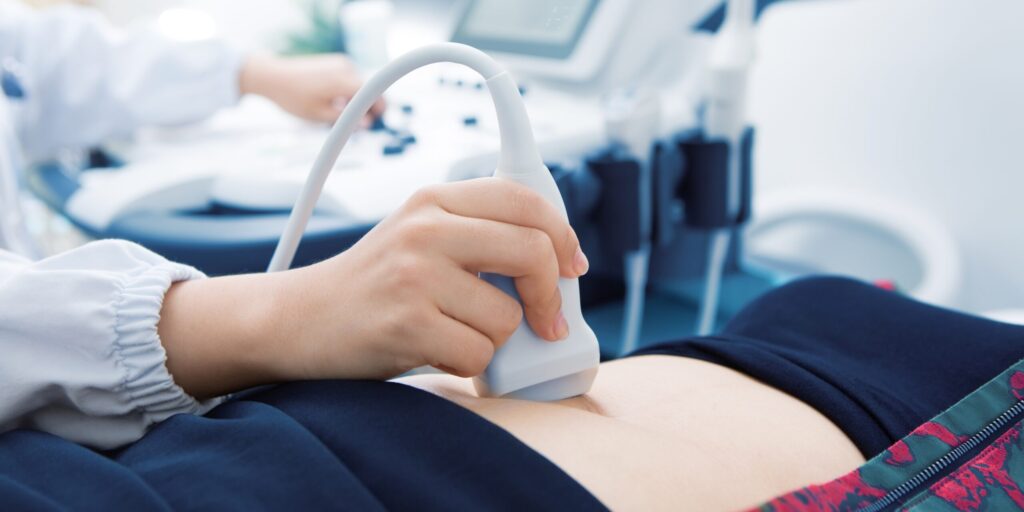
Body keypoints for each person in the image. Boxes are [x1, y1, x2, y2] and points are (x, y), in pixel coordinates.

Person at [4, 2, 1024, 511]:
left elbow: (50, 59)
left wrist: (259, 75)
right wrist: (263, 318)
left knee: (824, 305)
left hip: (830, 351)